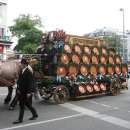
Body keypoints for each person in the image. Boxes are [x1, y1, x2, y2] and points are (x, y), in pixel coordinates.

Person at [13, 58, 38, 124]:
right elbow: (20, 81)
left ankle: (20, 119)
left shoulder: (28, 72)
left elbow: (30, 83)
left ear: (25, 64)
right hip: (21, 90)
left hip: (25, 91)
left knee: (21, 105)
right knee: (27, 103)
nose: (20, 65)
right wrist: (17, 88)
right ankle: (35, 114)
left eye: (21, 64)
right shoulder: (22, 71)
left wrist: (29, 92)